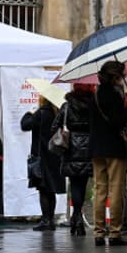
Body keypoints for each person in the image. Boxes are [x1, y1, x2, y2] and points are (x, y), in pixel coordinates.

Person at [89, 61, 127, 246]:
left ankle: (98, 232)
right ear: (116, 77)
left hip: (96, 148)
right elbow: (118, 122)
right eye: (122, 76)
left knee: (100, 190)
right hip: (114, 148)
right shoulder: (115, 95)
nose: (123, 79)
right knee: (115, 190)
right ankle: (115, 232)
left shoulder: (95, 95)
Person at [52, 83, 95, 236]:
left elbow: (54, 126)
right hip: (88, 149)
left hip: (71, 149)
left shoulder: (67, 106)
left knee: (74, 183)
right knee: (82, 184)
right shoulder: (94, 105)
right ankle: (78, 217)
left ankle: (75, 217)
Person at [21, 95, 64, 231]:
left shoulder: (41, 113)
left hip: (41, 156)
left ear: (43, 100)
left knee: (44, 190)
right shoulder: (56, 113)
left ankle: (46, 220)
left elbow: (25, 125)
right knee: (51, 189)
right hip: (55, 156)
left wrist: (29, 113)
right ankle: (50, 220)